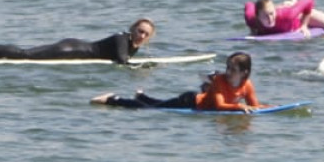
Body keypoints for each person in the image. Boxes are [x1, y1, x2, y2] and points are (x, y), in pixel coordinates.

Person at [93, 51, 263, 111]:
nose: (228, 72)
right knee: (152, 110)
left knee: (159, 105)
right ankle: (113, 100)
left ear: (244, 73)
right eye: (228, 67)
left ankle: (141, 96)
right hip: (190, 101)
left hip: (194, 102)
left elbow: (254, 106)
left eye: (233, 70)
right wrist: (240, 107)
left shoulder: (247, 85)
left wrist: (269, 108)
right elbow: (219, 105)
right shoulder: (219, 80)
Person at [0, 19, 156, 64]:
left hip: (74, 48)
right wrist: (145, 68)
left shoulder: (133, 44)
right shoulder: (122, 38)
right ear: (132, 28)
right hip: (69, 49)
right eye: (140, 31)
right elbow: (122, 61)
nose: (142, 36)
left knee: (26, 55)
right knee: (26, 55)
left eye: (146, 34)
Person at [245, 0, 324, 36]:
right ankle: (287, 4)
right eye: (265, 16)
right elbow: (248, 4)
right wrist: (253, 29)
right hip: (281, 11)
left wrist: (304, 25)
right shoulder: (251, 20)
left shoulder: (288, 15)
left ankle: (294, 3)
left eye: (271, 14)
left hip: (300, 16)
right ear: (257, 16)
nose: (270, 19)